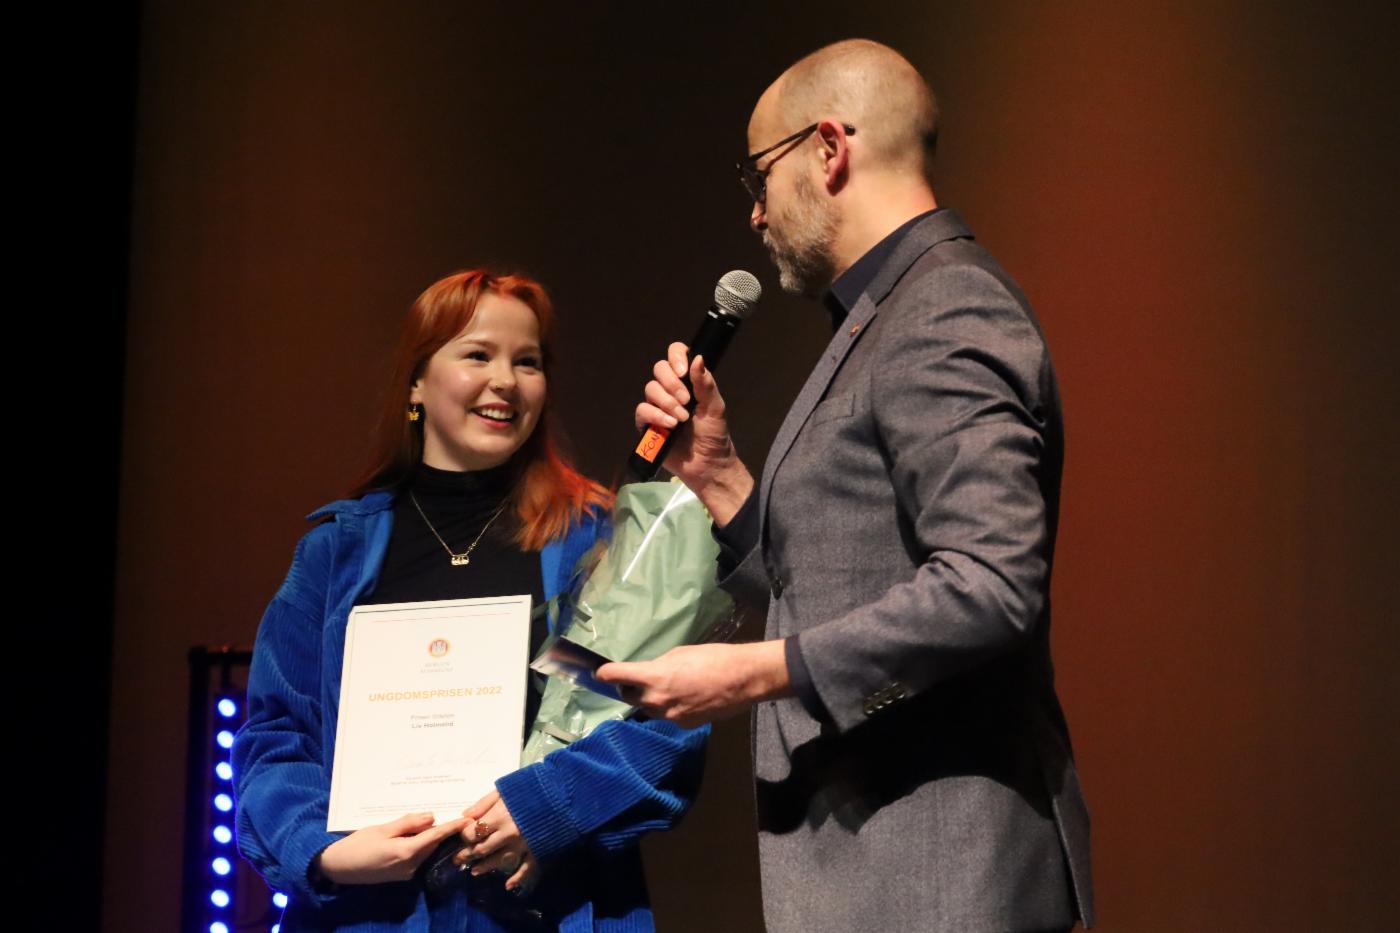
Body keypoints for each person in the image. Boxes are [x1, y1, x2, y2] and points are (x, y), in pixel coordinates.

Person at [598, 40, 1095, 932]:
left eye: (759, 174)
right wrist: (720, 477)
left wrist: (754, 671)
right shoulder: (886, 314)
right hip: (884, 869)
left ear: (828, 148)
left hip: (939, 874)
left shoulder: (944, 305)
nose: (755, 212)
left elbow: (991, 585)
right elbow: (837, 579)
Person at [234, 269, 708, 932]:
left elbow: (661, 723)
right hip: (373, 915)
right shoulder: (337, 554)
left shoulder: (592, 546)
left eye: (528, 362)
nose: (506, 381)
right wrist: (328, 852)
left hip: (548, 909)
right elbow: (277, 737)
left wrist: (545, 808)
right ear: (416, 381)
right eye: (478, 354)